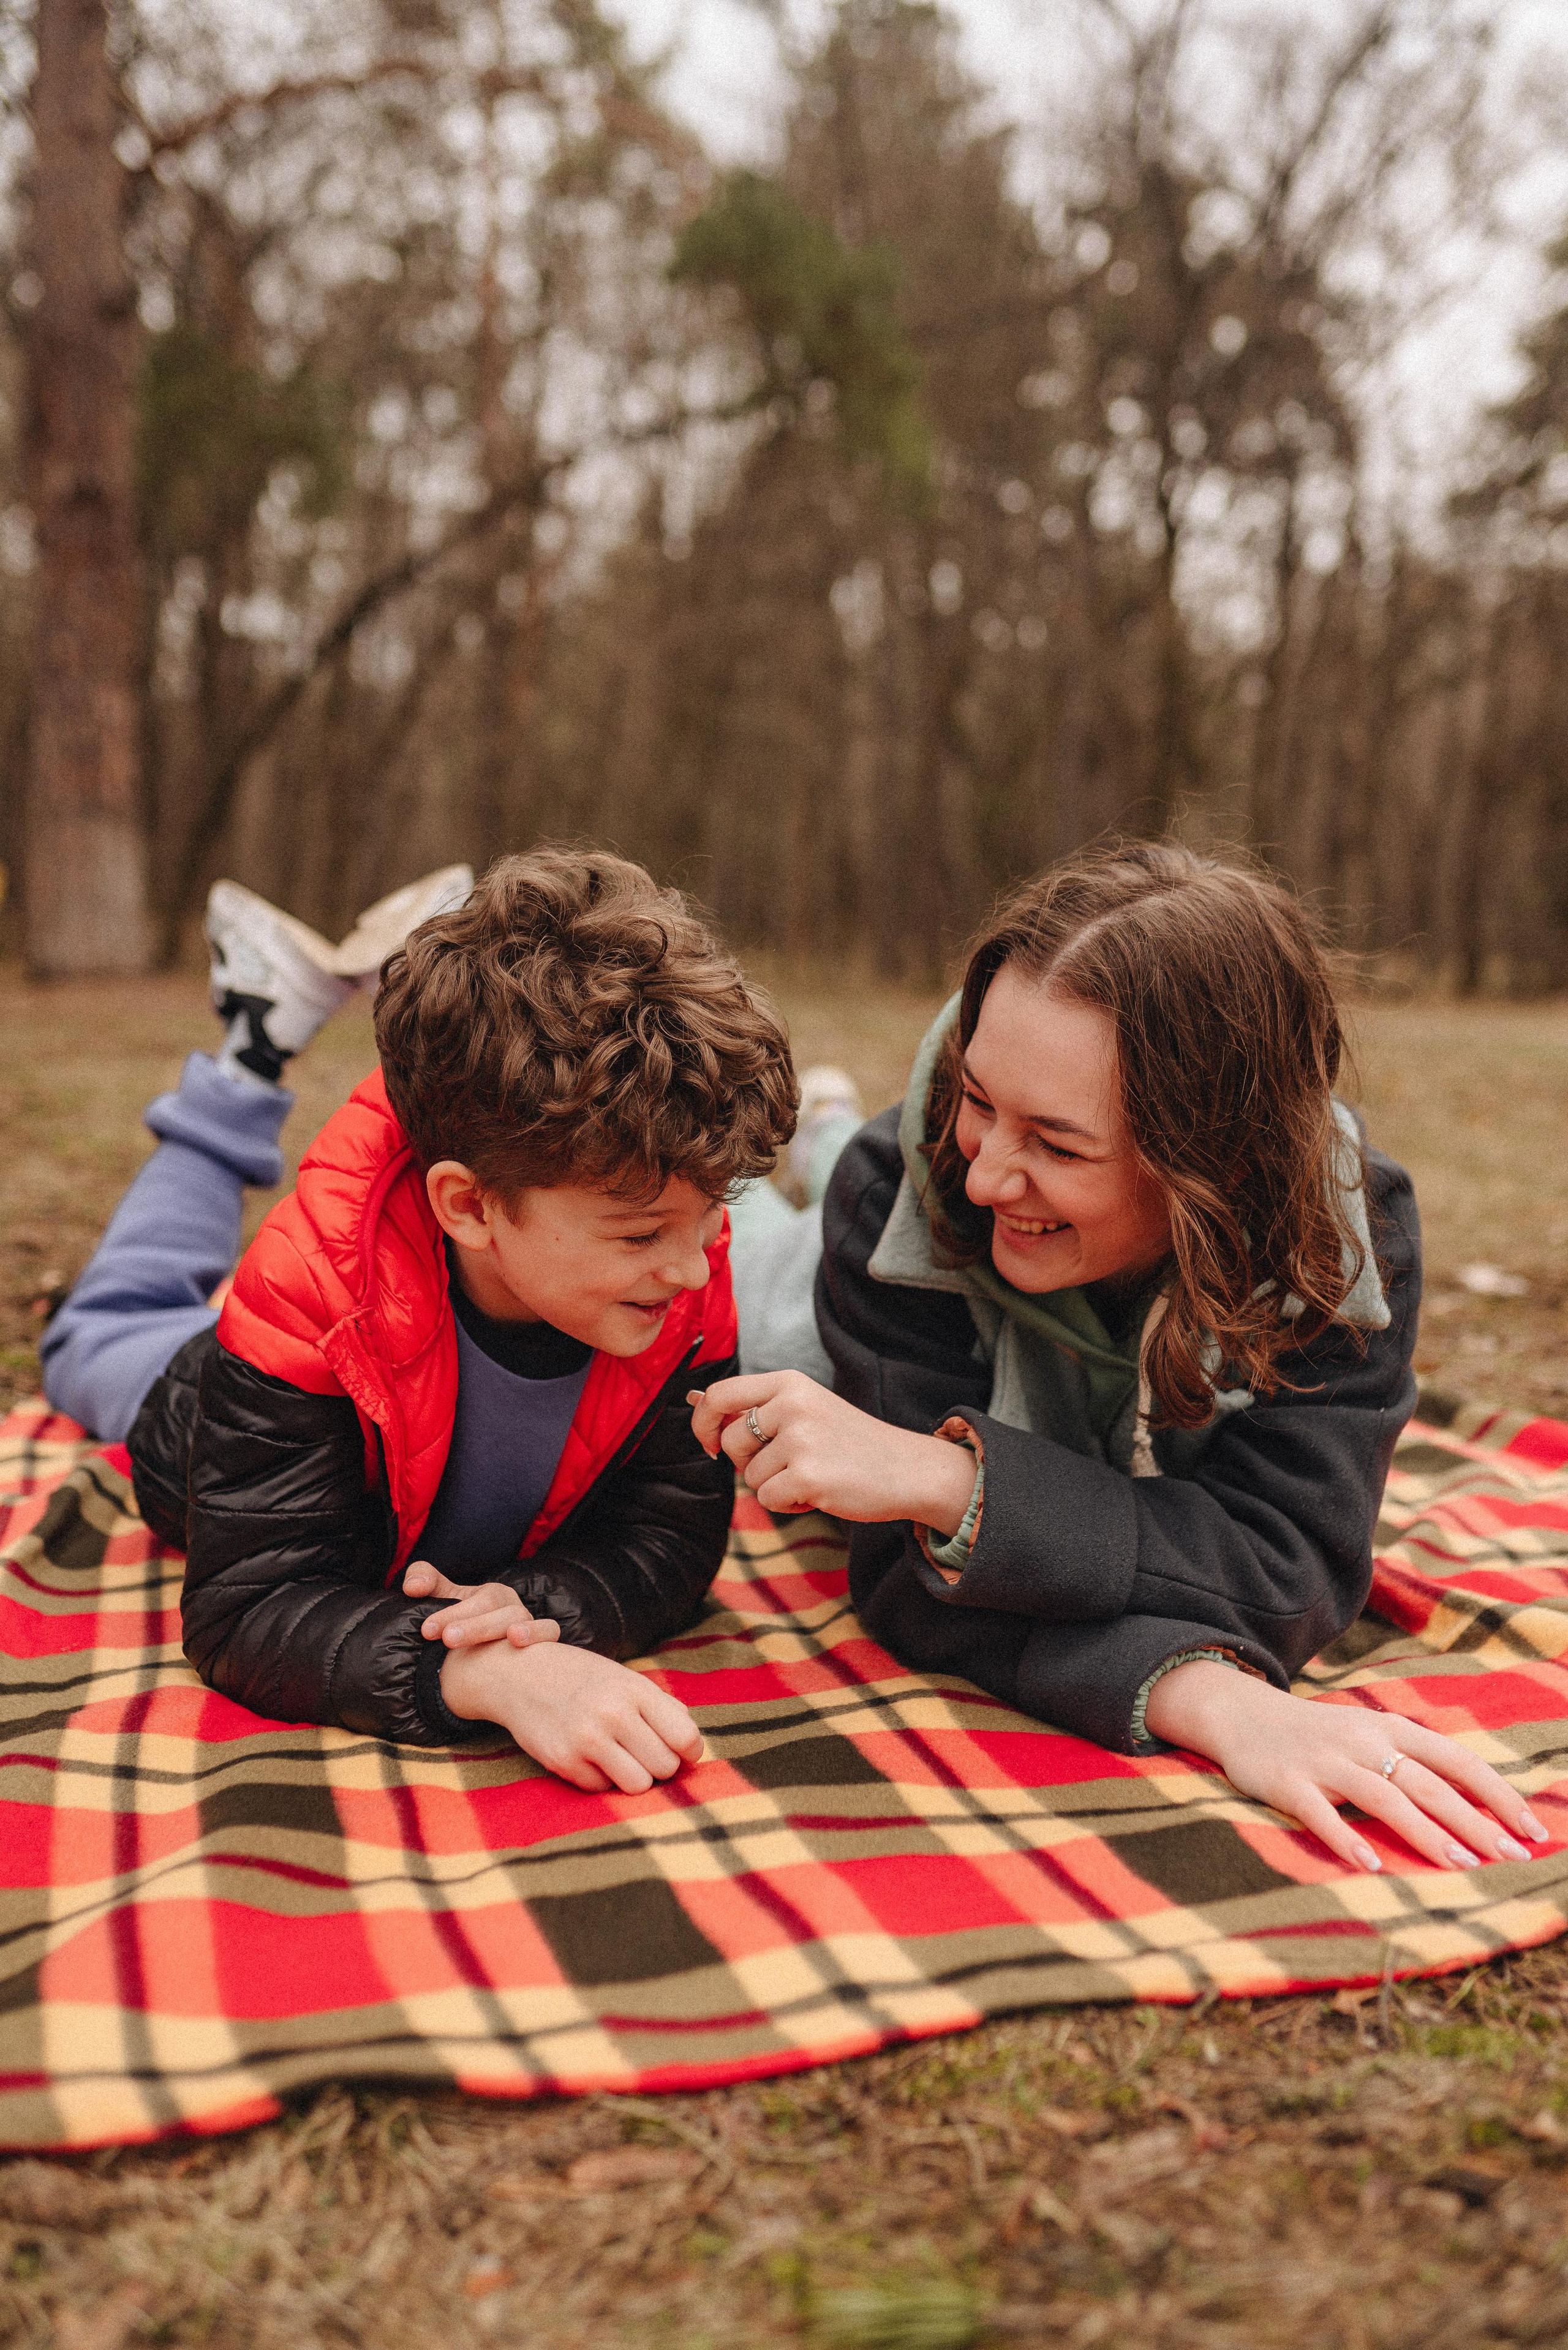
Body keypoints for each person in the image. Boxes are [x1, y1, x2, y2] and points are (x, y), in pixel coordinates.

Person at [693, 843, 1548, 1875]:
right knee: (758, 1294)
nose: (986, 1178)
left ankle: (829, 1129)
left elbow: (1283, 1573)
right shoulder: (909, 1188)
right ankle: (829, 1135)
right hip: (846, 1227)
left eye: (1058, 1144)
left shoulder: (1346, 1241)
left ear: (1212, 1164)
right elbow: (912, 1585)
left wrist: (951, 1480)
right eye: (978, 1099)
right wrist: (1206, 1687)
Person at [43, 851, 797, 1794]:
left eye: (713, 1215)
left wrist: (531, 1607)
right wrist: (479, 1671)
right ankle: (252, 1046)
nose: (693, 1268)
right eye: (643, 1232)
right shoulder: (311, 1295)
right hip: (209, 1397)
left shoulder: (671, 1249)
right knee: (98, 1333)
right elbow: (250, 1609)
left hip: (400, 1292)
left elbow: (670, 1538)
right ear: (469, 1206)